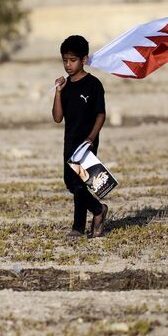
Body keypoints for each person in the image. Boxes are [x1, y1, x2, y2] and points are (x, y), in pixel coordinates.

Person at [53, 35, 109, 238]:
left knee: (79, 184)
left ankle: (78, 227)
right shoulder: (65, 86)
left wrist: (91, 138)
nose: (68, 65)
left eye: (73, 60)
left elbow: (101, 114)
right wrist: (58, 93)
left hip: (87, 142)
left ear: (84, 60)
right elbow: (58, 118)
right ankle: (98, 210)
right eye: (65, 60)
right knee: (71, 183)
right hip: (70, 141)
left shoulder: (94, 85)